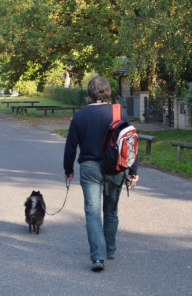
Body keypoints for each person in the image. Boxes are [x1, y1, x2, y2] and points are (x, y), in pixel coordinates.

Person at [63, 76, 139, 272]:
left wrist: (68, 169)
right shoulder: (118, 111)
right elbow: (129, 141)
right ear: (108, 92)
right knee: (111, 210)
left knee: (93, 213)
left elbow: (71, 146)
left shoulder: (80, 116)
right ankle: (110, 249)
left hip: (89, 168)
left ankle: (98, 257)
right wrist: (133, 171)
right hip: (115, 168)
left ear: (89, 93)